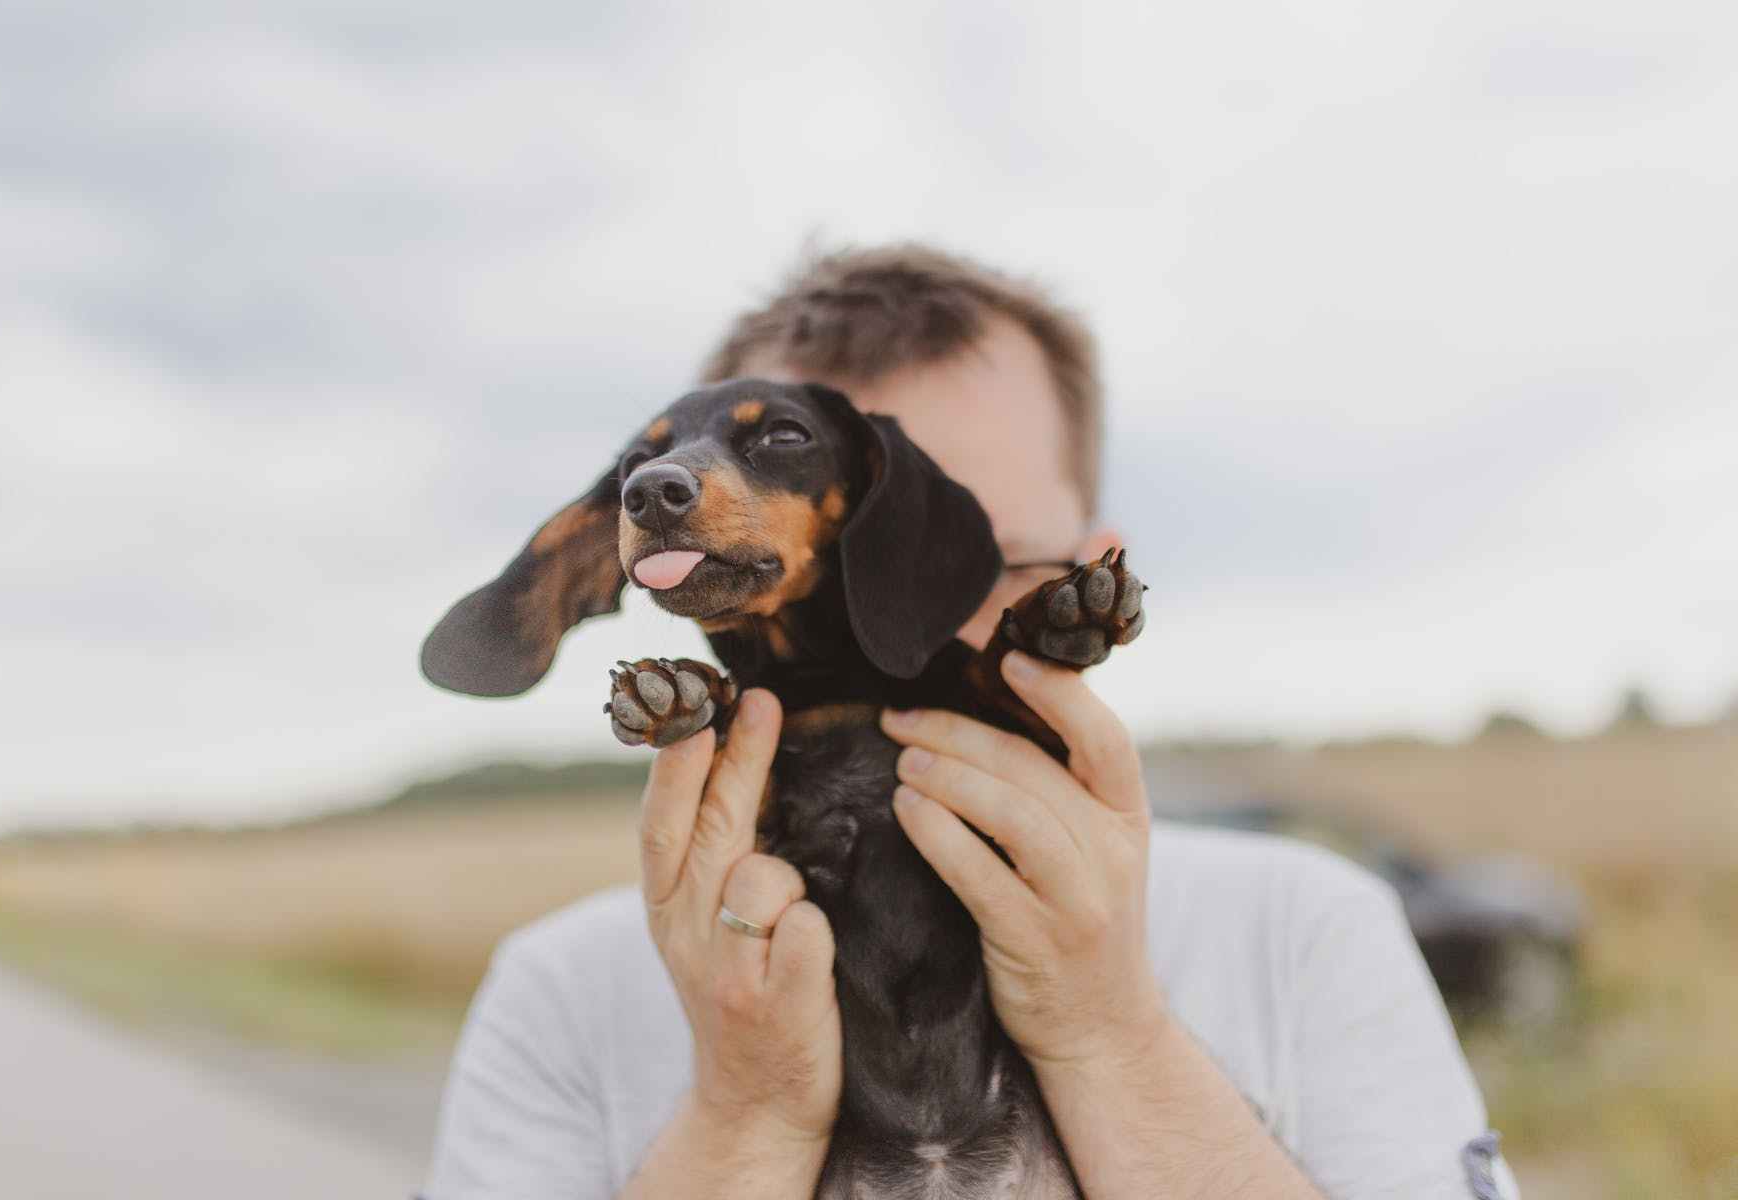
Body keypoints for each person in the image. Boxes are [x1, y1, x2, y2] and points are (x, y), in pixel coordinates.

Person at [421, 244, 1518, 1199]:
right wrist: (743, 1111)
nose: (907, 620)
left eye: (970, 565)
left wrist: (1110, 1038)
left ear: (1092, 577)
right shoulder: (554, 994)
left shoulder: (1308, 932)